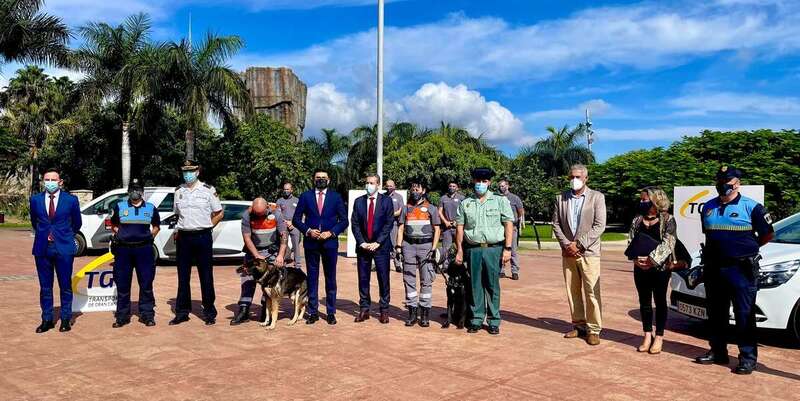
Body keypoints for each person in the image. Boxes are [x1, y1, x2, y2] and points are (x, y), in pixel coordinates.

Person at [694, 166, 773, 375]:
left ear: (738, 183)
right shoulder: (708, 207)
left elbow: (767, 235)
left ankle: (747, 358)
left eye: (727, 180)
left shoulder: (753, 207)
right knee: (716, 313)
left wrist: (747, 248)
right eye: (720, 179)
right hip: (714, 268)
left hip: (741, 269)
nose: (723, 183)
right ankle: (717, 351)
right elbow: (709, 236)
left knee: (744, 314)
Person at [552, 164, 607, 346]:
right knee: (572, 290)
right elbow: (556, 224)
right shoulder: (561, 198)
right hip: (568, 252)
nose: (573, 180)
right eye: (571, 177)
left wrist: (580, 244)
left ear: (585, 178)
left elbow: (599, 225)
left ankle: (593, 329)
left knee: (591, 291)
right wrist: (567, 244)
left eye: (577, 176)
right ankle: (578, 324)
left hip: (589, 252)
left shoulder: (597, 197)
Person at [455, 168, 514, 335]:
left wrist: (508, 248)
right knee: (475, 285)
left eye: (484, 181)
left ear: (489, 183)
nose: (480, 184)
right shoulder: (465, 203)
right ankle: (476, 318)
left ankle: (494, 320)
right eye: (478, 181)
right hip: (473, 249)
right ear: (473, 182)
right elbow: (460, 228)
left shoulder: (499, 201)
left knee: (492, 285)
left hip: (493, 249)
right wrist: (459, 250)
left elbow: (509, 223)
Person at [627, 186, 681, 354]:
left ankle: (659, 336)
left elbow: (669, 243)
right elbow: (631, 241)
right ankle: (647, 335)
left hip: (660, 268)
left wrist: (651, 260)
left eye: (645, 199)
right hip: (640, 268)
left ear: (655, 201)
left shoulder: (668, 219)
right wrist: (636, 259)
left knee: (659, 301)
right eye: (641, 199)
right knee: (644, 302)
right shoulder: (637, 220)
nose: (641, 202)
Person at [292, 168, 349, 325]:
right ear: (313, 179)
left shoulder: (336, 197)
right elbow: (296, 219)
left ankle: (331, 312)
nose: (321, 180)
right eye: (318, 177)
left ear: (329, 180)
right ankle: (313, 311)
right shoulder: (305, 196)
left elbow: (344, 221)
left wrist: (331, 232)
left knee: (331, 278)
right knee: (312, 278)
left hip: (330, 243)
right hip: (311, 243)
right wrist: (308, 231)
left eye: (324, 178)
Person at [170, 160, 223, 326]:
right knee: (183, 276)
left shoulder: (208, 190)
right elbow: (177, 214)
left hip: (202, 237)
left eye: (190, 171)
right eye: (184, 171)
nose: (187, 174)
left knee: (206, 275)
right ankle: (182, 312)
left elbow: (219, 213)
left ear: (197, 172)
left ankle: (209, 312)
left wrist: (207, 227)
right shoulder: (179, 191)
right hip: (184, 237)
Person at [29, 168, 82, 333]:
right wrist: (45, 234)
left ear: (60, 182)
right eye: (47, 179)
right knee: (45, 287)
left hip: (64, 248)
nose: (50, 182)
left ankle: (65, 318)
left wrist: (63, 235)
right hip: (42, 248)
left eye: (53, 180)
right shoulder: (35, 200)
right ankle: (47, 319)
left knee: (65, 285)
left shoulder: (71, 200)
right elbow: (34, 221)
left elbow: (77, 223)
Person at [109, 179, 160, 328]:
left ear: (142, 191)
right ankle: (122, 317)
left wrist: (149, 237)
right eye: (132, 189)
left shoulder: (150, 208)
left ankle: (147, 315)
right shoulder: (120, 206)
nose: (135, 192)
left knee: (146, 283)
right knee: (123, 284)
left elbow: (156, 226)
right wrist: (121, 235)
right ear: (128, 191)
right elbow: (113, 224)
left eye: (137, 189)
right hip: (123, 250)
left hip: (144, 250)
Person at [230, 198, 288, 325]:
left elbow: (283, 235)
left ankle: (265, 309)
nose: (259, 216)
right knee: (247, 280)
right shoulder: (247, 215)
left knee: (269, 281)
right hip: (254, 251)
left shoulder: (276, 214)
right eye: (257, 214)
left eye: (261, 214)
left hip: (272, 251)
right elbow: (247, 238)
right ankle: (244, 310)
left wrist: (281, 255)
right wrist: (256, 255)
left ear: (267, 207)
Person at [350, 174, 394, 324]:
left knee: (383, 279)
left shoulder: (387, 201)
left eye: (372, 183)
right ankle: (364, 309)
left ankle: (384, 310)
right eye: (367, 182)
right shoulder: (358, 202)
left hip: (380, 247)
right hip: (363, 247)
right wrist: (361, 242)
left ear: (378, 185)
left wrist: (378, 242)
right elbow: (354, 223)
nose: (369, 185)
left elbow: (389, 223)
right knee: (363, 279)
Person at [397, 180, 441, 327]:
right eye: (412, 189)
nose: (414, 191)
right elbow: (401, 228)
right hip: (408, 246)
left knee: (426, 279)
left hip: (426, 247)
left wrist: (434, 249)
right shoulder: (405, 208)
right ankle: (412, 313)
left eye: (417, 189)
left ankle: (424, 314)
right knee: (408, 278)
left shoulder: (432, 208)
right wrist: (398, 247)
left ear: (423, 190)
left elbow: (437, 230)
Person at [497, 179, 525, 280]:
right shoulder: (496, 198)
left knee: (512, 250)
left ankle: (515, 271)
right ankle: (501, 270)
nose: (502, 188)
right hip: (500, 228)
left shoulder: (514, 198)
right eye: (500, 186)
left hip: (512, 228)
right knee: (500, 250)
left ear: (508, 186)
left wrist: (517, 222)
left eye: (504, 186)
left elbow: (521, 211)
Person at [438, 181, 465, 267]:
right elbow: (439, 212)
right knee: (446, 248)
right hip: (447, 227)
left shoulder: (462, 198)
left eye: (454, 186)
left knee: (460, 246)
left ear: (457, 188)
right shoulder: (443, 198)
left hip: (458, 227)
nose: (452, 187)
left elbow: (465, 212)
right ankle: (446, 266)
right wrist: (445, 222)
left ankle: (462, 264)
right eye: (450, 186)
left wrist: (458, 222)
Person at [277, 182, 302, 267]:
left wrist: (292, 223)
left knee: (296, 245)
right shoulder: (279, 201)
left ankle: (297, 263)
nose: (286, 191)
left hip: (294, 225)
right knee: (283, 243)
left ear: (292, 190)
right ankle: (283, 261)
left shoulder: (297, 200)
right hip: (283, 225)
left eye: (287, 189)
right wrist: (285, 222)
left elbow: (301, 214)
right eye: (284, 189)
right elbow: (278, 214)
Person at [384, 179, 404, 272]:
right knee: (382, 245)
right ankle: (383, 264)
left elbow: (400, 211)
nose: (389, 187)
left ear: (394, 186)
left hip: (394, 224)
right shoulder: (383, 196)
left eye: (390, 186)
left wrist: (389, 215)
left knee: (394, 245)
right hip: (383, 225)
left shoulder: (399, 197)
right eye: (387, 186)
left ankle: (397, 264)